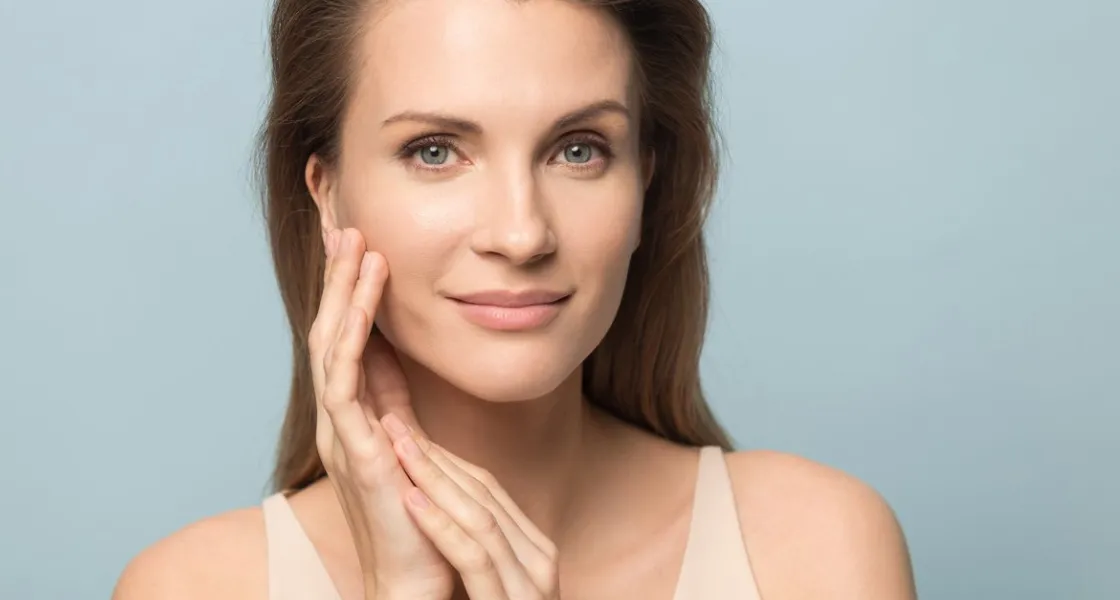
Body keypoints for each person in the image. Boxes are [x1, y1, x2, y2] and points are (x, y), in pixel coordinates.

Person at [114, 0, 916, 597]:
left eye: (578, 150)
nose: (522, 233)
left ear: (648, 181)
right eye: (435, 151)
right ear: (326, 194)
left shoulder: (816, 552)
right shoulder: (190, 587)